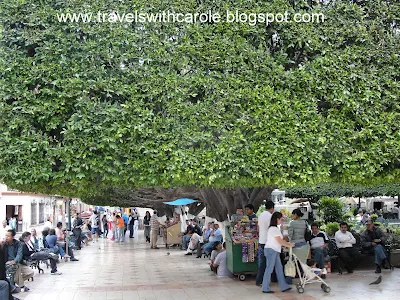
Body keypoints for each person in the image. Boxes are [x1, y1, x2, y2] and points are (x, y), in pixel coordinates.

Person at [262, 212, 294, 294]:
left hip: (274, 250)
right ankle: (265, 287)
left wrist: (288, 243)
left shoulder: (275, 228)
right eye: (281, 219)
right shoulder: (273, 229)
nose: (282, 220)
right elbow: (280, 241)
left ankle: (283, 286)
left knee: (279, 268)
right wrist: (288, 245)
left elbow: (281, 240)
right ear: (277, 219)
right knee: (269, 269)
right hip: (271, 250)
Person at [256, 200, 274, 286]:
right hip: (269, 241)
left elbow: (259, 228)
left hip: (261, 240)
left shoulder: (260, 216)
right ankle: (269, 280)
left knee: (262, 262)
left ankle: (259, 280)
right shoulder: (271, 216)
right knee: (270, 262)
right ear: (272, 208)